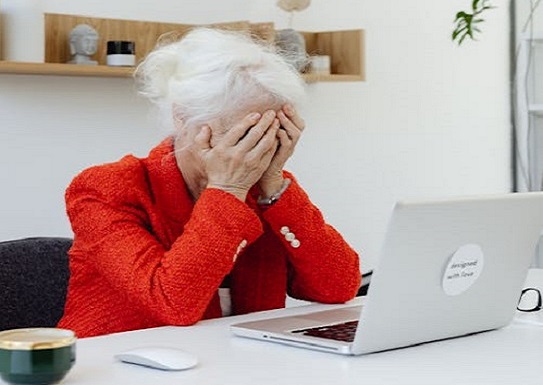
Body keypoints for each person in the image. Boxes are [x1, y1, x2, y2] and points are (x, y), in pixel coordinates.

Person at [57, 27, 361, 338]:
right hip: (117, 365)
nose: (259, 150)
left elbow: (339, 288)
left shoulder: (266, 188)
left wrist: (275, 186)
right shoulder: (104, 188)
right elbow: (173, 303)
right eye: (246, 135)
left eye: (274, 132)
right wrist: (228, 191)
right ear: (183, 117)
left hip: (236, 363)